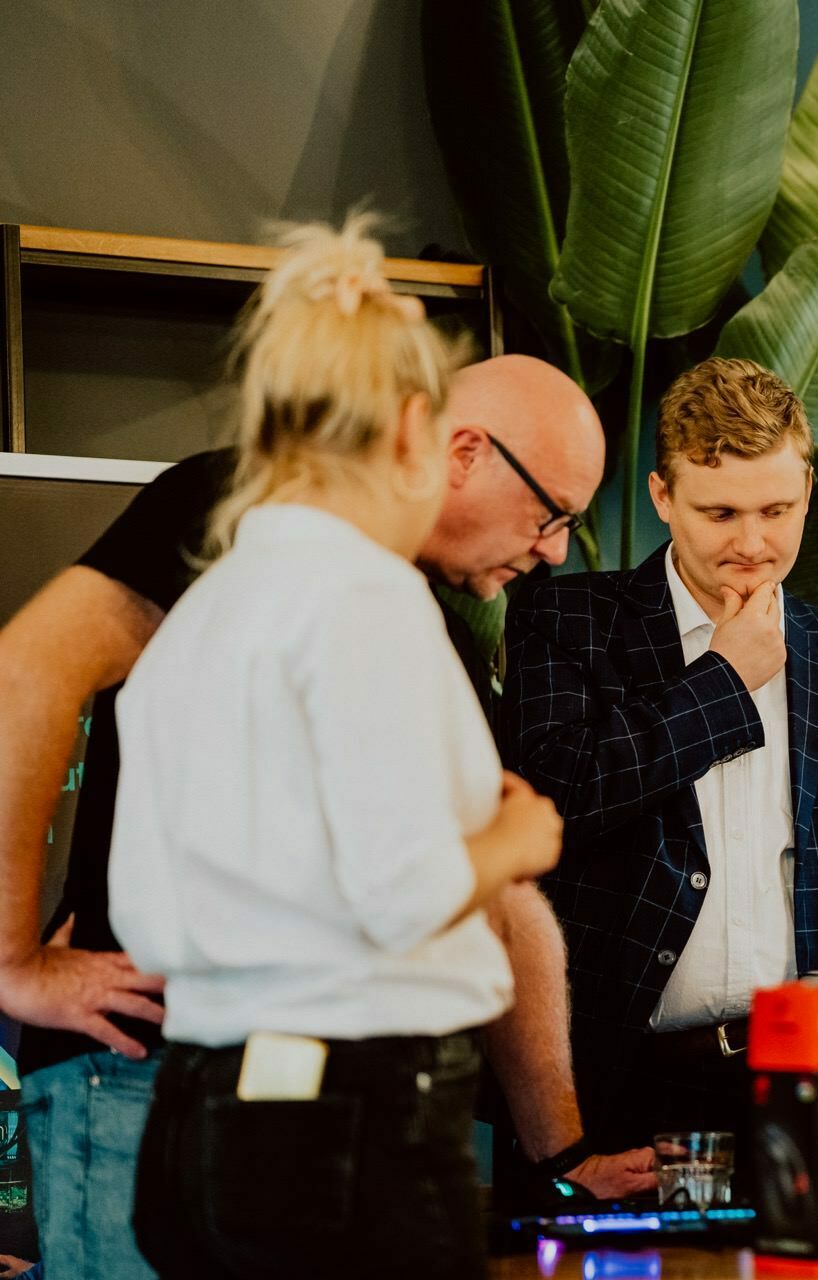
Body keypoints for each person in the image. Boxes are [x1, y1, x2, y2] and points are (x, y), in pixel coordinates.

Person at [0, 332, 648, 1276]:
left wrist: (562, 1154)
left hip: (328, 1106)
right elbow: (28, 669)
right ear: (464, 451)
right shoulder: (246, 523)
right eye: (551, 514)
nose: (549, 552)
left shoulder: (424, 630)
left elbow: (491, 909)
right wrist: (14, 960)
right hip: (149, 1066)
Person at [501, 356, 818, 1156]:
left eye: (776, 510)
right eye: (721, 512)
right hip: (619, 1086)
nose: (753, 543)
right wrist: (725, 680)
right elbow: (558, 804)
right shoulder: (566, 621)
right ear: (664, 497)